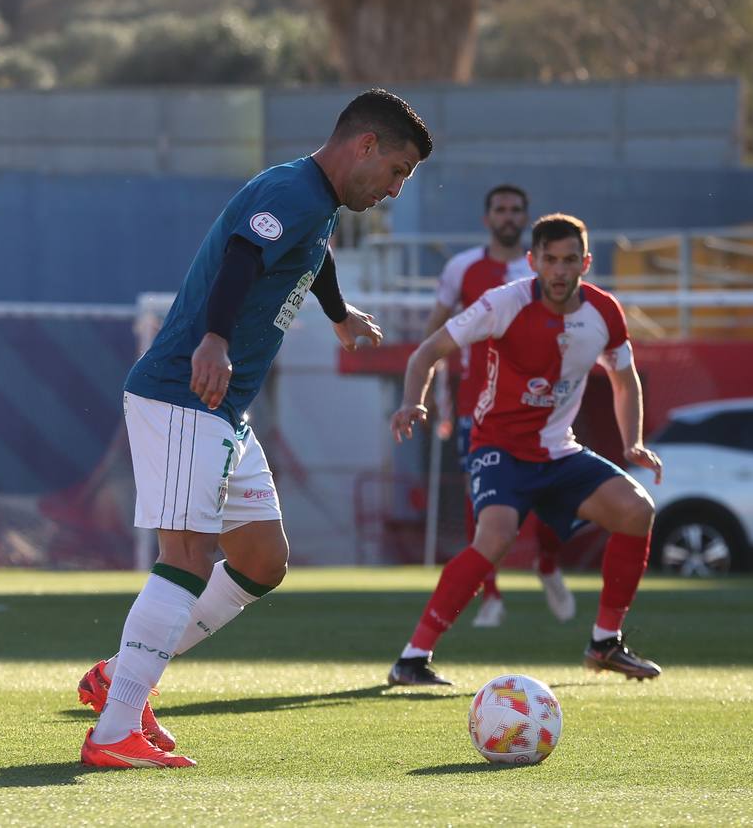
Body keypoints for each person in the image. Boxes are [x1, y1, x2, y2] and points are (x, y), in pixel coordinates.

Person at [78, 88, 432, 768]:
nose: (393, 189)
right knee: (185, 555)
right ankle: (112, 730)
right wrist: (213, 338)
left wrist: (337, 312)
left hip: (223, 411)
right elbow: (243, 254)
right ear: (366, 146)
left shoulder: (313, 201)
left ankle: (118, 675)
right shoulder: (295, 190)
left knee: (263, 559)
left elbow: (311, 252)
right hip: (187, 392)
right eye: (396, 171)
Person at [386, 213, 665, 687]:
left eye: (570, 260)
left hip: (559, 451)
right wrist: (413, 401)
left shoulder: (605, 313)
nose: (559, 270)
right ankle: (412, 659)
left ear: (586, 262)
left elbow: (624, 379)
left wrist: (632, 441)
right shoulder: (503, 303)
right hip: (499, 448)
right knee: (494, 539)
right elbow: (425, 352)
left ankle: (604, 643)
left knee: (637, 511)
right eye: (550, 260)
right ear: (533, 261)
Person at [424, 185, 575, 628]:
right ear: (486, 218)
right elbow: (434, 336)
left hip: (545, 406)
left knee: (555, 497)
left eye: (516, 210)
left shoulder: (548, 267)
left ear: (527, 218)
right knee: (481, 499)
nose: (508, 217)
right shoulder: (462, 268)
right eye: (500, 209)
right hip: (479, 405)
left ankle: (547, 563)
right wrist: (430, 398)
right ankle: (490, 596)